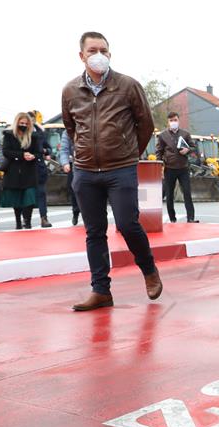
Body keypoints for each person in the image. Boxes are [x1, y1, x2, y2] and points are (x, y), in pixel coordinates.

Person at [62, 31, 161, 311]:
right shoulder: (70, 90)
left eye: (104, 50)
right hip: (85, 171)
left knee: (128, 224)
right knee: (94, 231)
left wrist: (130, 154)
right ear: (81, 55)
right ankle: (101, 291)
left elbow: (146, 125)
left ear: (110, 54)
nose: (99, 55)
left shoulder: (128, 86)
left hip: (121, 168)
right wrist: (82, 153)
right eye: (92, 50)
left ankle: (149, 269)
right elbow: (72, 128)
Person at [156, 111, 198, 223]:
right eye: (171, 120)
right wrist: (159, 166)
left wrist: (188, 150)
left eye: (175, 120)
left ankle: (191, 218)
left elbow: (194, 147)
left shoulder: (185, 134)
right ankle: (172, 218)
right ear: (168, 122)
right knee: (169, 195)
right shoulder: (162, 135)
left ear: (178, 121)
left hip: (183, 168)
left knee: (187, 193)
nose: (173, 122)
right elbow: (159, 152)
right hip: (169, 168)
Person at [0, 112, 40, 230]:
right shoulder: (9, 135)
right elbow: (6, 151)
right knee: (16, 199)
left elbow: (39, 153)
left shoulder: (34, 136)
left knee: (30, 198)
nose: (23, 125)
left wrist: (33, 156)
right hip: (13, 171)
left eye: (26, 124)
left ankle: (27, 221)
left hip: (29, 172)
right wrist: (22, 155)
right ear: (16, 123)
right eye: (21, 123)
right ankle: (18, 222)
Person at [28, 111, 52, 228]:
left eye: (32, 120)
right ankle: (26, 220)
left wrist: (45, 151)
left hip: (39, 167)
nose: (31, 123)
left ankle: (44, 218)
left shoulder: (40, 132)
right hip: (26, 168)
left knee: (41, 193)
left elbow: (48, 148)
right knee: (28, 194)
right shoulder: (21, 132)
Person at [58, 131, 81, 225]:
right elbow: (63, 150)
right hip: (75, 164)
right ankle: (75, 212)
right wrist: (65, 163)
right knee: (74, 189)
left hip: (91, 163)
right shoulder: (67, 132)